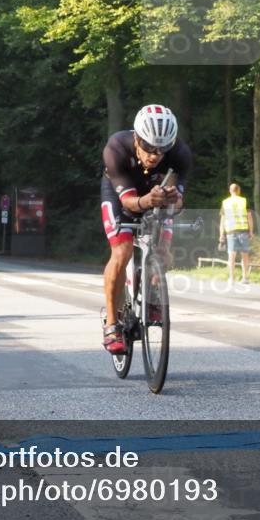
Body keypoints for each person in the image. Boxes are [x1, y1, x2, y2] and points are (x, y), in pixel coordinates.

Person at [100, 104, 191, 353]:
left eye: (162, 150)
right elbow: (129, 203)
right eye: (149, 147)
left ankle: (150, 292)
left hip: (157, 196)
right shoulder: (117, 148)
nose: (155, 155)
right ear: (137, 138)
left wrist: (174, 199)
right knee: (122, 251)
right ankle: (112, 324)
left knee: (163, 253)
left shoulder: (179, 153)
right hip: (122, 194)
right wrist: (146, 201)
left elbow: (179, 202)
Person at [218, 183, 253, 284]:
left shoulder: (225, 202)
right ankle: (245, 278)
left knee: (231, 256)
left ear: (230, 191)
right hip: (243, 231)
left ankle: (231, 279)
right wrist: (251, 231)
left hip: (231, 231)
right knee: (245, 255)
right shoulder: (244, 201)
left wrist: (221, 235)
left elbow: (222, 220)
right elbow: (249, 217)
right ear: (239, 190)